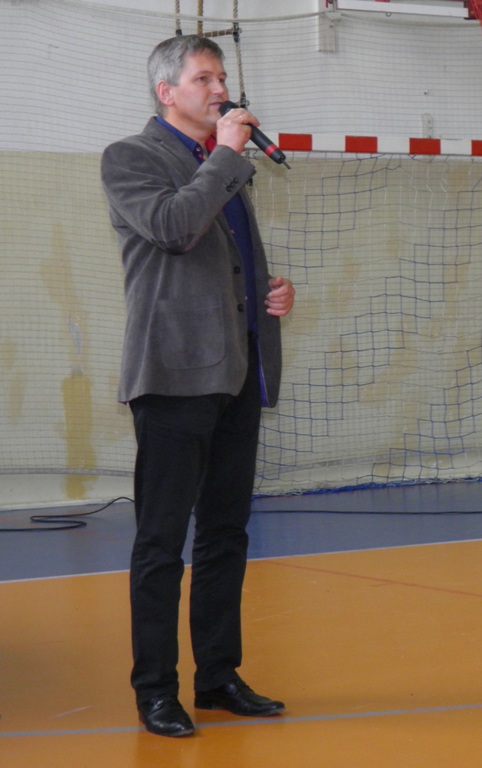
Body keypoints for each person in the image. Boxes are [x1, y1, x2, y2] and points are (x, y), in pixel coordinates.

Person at [101, 34, 295, 738]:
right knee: (161, 542)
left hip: (236, 369)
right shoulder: (132, 157)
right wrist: (226, 156)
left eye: (222, 78)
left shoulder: (223, 163)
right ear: (167, 92)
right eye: (205, 78)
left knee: (224, 532)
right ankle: (156, 690)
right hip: (174, 374)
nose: (221, 89)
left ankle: (217, 674)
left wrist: (271, 293)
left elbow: (226, 262)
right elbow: (175, 229)